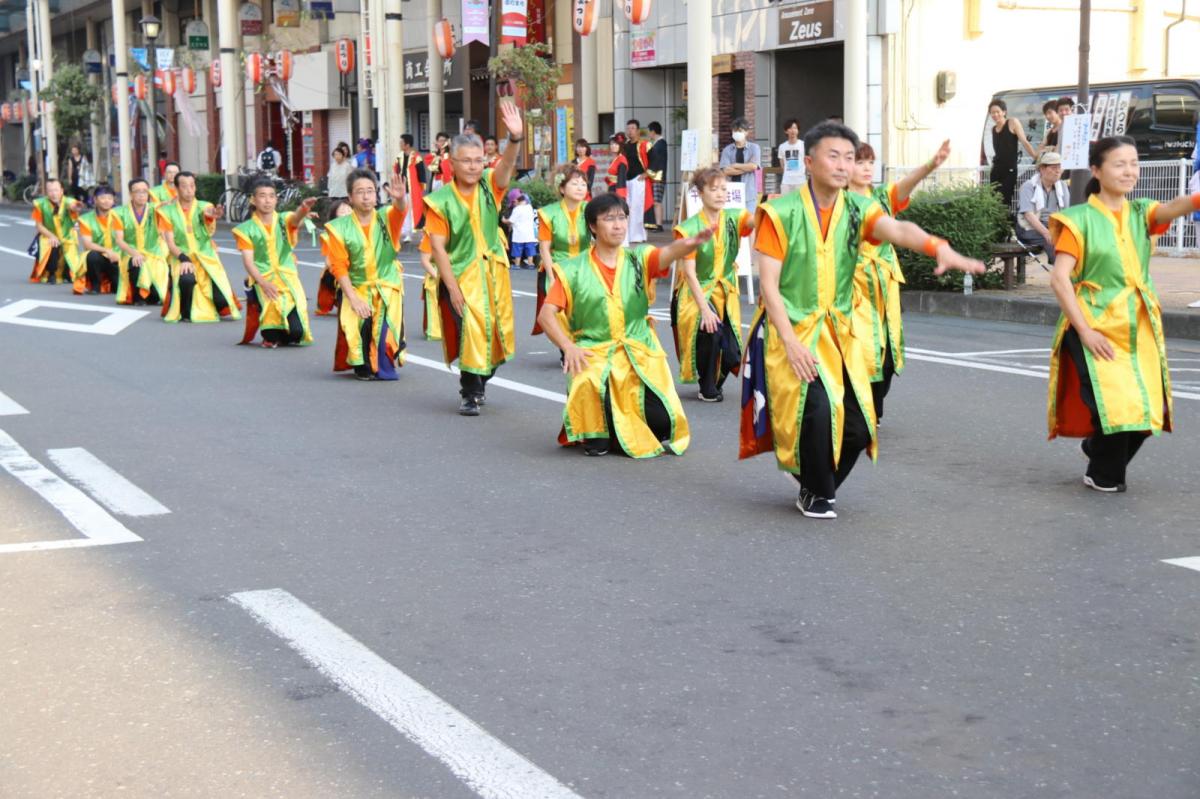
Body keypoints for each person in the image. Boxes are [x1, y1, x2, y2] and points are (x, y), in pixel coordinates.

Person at [741, 121, 983, 519]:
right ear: (810, 159)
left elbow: (898, 229)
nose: (842, 165)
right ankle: (818, 492)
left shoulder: (859, 209)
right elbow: (769, 285)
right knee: (816, 409)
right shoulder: (778, 212)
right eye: (833, 156)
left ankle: (814, 482)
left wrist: (937, 247)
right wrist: (790, 341)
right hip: (795, 328)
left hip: (840, 331)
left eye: (849, 158)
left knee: (859, 427)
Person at [1047, 135, 1200, 492]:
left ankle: (1097, 449)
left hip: (1138, 324)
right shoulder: (1077, 219)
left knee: (1148, 407)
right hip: (1093, 324)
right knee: (1115, 406)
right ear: (1096, 171)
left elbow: (1175, 207)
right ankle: (1103, 472)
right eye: (1119, 163)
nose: (1129, 170)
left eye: (1133, 163)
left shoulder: (1141, 212)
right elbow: (1059, 280)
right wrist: (1084, 331)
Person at [536, 193, 714, 458]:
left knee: (663, 425)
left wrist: (690, 243)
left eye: (622, 218)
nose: (618, 225)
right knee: (596, 441)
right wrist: (568, 347)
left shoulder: (638, 259)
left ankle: (622, 427)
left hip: (638, 350)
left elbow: (667, 254)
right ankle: (604, 428)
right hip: (594, 355)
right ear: (594, 227)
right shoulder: (571, 269)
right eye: (609, 219)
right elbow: (546, 315)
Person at [425, 100, 525, 416]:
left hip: (494, 272)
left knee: (496, 335)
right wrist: (452, 288)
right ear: (451, 163)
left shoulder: (489, 187)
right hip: (462, 275)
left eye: (478, 160)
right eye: (465, 161)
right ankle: (471, 392)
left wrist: (516, 139)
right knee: (471, 329)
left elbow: (506, 167)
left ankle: (480, 379)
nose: (472, 166)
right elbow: (438, 248)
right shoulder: (440, 201)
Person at [849, 139, 951, 421]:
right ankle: (860, 408)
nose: (867, 168)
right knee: (861, 345)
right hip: (851, 283)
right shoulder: (839, 201)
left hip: (883, 279)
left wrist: (931, 164)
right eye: (860, 162)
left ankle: (874, 407)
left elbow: (906, 185)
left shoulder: (882, 196)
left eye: (870, 162)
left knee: (888, 346)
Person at [670, 167, 754, 402]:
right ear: (700, 192)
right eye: (714, 189)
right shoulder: (688, 229)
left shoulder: (735, 218)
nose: (720, 194)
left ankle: (713, 380)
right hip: (695, 292)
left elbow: (757, 220)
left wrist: (775, 205)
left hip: (726, 290)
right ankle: (707, 386)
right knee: (711, 331)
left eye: (724, 189)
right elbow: (690, 274)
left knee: (734, 353)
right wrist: (705, 310)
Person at [321, 167, 409, 380]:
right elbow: (339, 266)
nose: (366, 196)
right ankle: (361, 363)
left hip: (387, 286)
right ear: (350, 197)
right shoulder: (338, 228)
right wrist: (353, 298)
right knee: (359, 331)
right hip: (357, 285)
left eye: (370, 190)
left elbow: (399, 212)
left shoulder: (386, 218)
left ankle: (383, 361)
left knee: (385, 343)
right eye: (360, 191)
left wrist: (400, 199)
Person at [234, 178, 318, 348]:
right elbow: (249, 262)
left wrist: (304, 208)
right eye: (262, 196)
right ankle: (259, 306)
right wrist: (263, 283)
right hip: (263, 278)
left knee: (297, 333)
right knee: (271, 332)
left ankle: (284, 330)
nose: (267, 200)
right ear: (253, 199)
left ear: (276, 200)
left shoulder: (283, 219)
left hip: (287, 278)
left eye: (271, 196)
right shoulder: (245, 229)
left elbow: (295, 219)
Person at [157, 171, 242, 323]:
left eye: (192, 185)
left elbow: (207, 220)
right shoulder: (166, 212)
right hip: (181, 256)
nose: (189, 190)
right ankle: (185, 311)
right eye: (184, 186)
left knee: (222, 301)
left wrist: (211, 217)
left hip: (205, 257)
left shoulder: (205, 206)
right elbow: (170, 243)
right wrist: (184, 259)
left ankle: (210, 304)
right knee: (187, 279)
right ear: (177, 188)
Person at [535, 165, 591, 335]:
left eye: (583, 184)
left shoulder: (591, 209)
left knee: (586, 310)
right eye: (575, 184)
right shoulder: (549, 213)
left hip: (585, 267)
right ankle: (566, 349)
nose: (580, 188)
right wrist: (552, 278)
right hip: (558, 268)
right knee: (561, 314)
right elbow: (544, 248)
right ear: (562, 188)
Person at [112, 177, 170, 306]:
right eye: (137, 191)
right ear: (131, 194)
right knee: (136, 262)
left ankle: (150, 294)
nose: (141, 195)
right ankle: (138, 297)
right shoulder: (119, 212)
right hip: (130, 253)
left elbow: (171, 214)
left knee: (157, 296)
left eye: (144, 191)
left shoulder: (156, 210)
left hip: (153, 255)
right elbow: (119, 240)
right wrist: (134, 253)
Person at [28, 178, 83, 284]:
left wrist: (76, 207)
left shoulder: (68, 201)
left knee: (70, 251)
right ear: (46, 192)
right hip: (48, 235)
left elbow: (73, 206)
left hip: (67, 235)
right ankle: (51, 273)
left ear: (61, 190)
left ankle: (67, 273)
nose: (53, 193)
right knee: (51, 244)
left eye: (56, 190)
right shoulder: (40, 204)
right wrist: (51, 236)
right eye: (50, 190)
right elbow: (39, 226)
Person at [1016, 151, 1067, 263]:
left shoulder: (1062, 186)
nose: (1058, 171)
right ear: (1042, 169)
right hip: (1029, 228)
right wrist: (1046, 232)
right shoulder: (1028, 186)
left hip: (1052, 226)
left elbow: (1067, 213)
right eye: (1054, 167)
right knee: (1054, 242)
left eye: (1060, 167)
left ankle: (1067, 274)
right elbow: (1028, 215)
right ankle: (1062, 274)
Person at [987, 98, 1036, 209]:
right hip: (996, 170)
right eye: (992, 112)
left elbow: (1024, 142)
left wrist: (1036, 158)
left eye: (997, 112)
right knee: (993, 199)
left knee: (1005, 199)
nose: (995, 115)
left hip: (1009, 170)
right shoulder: (993, 129)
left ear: (1004, 112)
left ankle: (1006, 224)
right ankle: (997, 224)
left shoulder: (1012, 122)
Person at [74, 184, 123, 295]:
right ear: (95, 200)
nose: (106, 201)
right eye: (103, 198)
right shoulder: (86, 219)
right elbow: (88, 244)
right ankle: (95, 285)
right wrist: (107, 251)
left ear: (113, 201)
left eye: (110, 198)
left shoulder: (121, 216)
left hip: (118, 257)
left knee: (118, 288)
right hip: (100, 256)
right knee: (91, 255)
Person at [314, 198, 351, 316]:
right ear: (335, 215)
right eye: (342, 211)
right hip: (337, 268)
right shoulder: (331, 233)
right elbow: (329, 260)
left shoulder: (359, 228)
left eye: (348, 210)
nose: (346, 213)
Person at [719, 117, 762, 215]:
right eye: (734, 131)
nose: (737, 133)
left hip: (749, 195)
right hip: (732, 194)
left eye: (740, 131)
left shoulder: (754, 148)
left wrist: (735, 165)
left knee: (749, 225)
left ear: (746, 132)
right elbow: (725, 171)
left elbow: (754, 166)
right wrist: (747, 168)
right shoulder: (727, 150)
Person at [395, 134, 427, 243]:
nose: (400, 144)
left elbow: (421, 173)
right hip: (403, 189)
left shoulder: (416, 157)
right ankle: (407, 234)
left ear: (407, 145)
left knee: (418, 211)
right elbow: (396, 171)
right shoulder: (399, 157)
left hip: (414, 189)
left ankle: (424, 235)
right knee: (405, 211)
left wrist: (422, 188)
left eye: (401, 142)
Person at [622, 119, 649, 243]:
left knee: (637, 207)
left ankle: (638, 235)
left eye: (633, 128)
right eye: (628, 128)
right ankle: (627, 235)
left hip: (638, 179)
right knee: (626, 207)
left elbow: (655, 160)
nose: (630, 131)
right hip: (626, 180)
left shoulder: (644, 144)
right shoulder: (624, 146)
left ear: (638, 130)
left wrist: (646, 173)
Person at [506, 192, 538, 270]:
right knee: (530, 250)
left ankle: (517, 264)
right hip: (529, 235)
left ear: (517, 201)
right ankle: (530, 264)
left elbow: (511, 221)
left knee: (517, 250)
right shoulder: (529, 207)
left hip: (519, 234)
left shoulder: (517, 209)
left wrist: (504, 220)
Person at [646, 121, 668, 231]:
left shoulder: (660, 144)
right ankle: (656, 224)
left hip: (658, 177)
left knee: (656, 201)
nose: (648, 134)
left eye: (649, 132)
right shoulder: (658, 143)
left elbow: (655, 161)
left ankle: (659, 224)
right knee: (655, 201)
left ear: (653, 131)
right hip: (655, 176)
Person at [777, 118, 806, 194]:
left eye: (795, 128)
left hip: (800, 181)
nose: (793, 130)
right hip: (786, 182)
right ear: (786, 131)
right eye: (790, 128)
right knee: (786, 204)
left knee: (800, 204)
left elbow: (807, 161)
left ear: (798, 130)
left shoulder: (803, 145)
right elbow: (782, 165)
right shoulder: (782, 147)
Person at [605, 134, 629, 200]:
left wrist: (620, 196)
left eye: (616, 144)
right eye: (611, 144)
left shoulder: (621, 159)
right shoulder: (615, 158)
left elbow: (621, 179)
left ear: (620, 146)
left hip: (617, 189)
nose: (613, 146)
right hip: (612, 187)